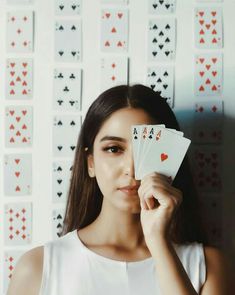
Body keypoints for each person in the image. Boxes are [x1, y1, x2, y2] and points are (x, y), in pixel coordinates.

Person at [7, 84, 231, 295]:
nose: (131, 168)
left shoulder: (208, 266)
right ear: (90, 163)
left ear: (172, 157)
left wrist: (157, 240)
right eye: (114, 149)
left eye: (146, 148)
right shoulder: (38, 268)